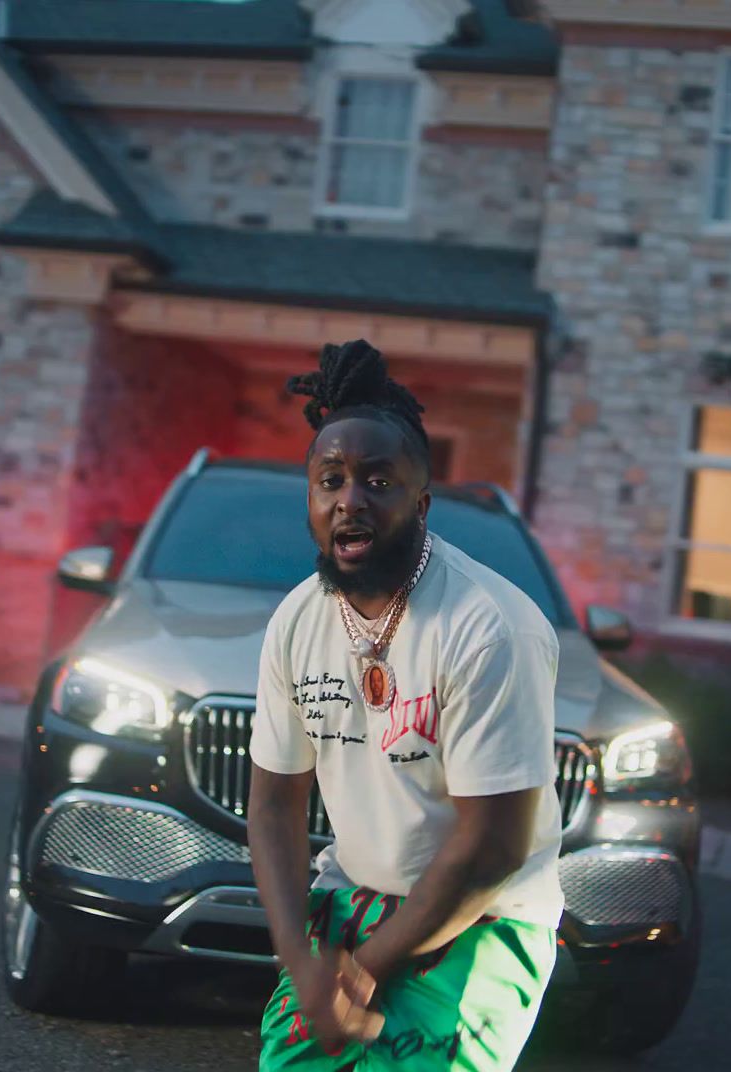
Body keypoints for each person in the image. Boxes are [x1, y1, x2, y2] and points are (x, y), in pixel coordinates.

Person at [248, 339, 564, 1071]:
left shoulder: (489, 627)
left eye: (378, 481)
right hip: (355, 896)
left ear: (420, 503)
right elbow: (272, 806)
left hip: (482, 918)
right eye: (331, 479)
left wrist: (357, 978)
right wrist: (303, 964)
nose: (350, 499)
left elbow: (492, 849)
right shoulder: (298, 620)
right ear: (311, 500)